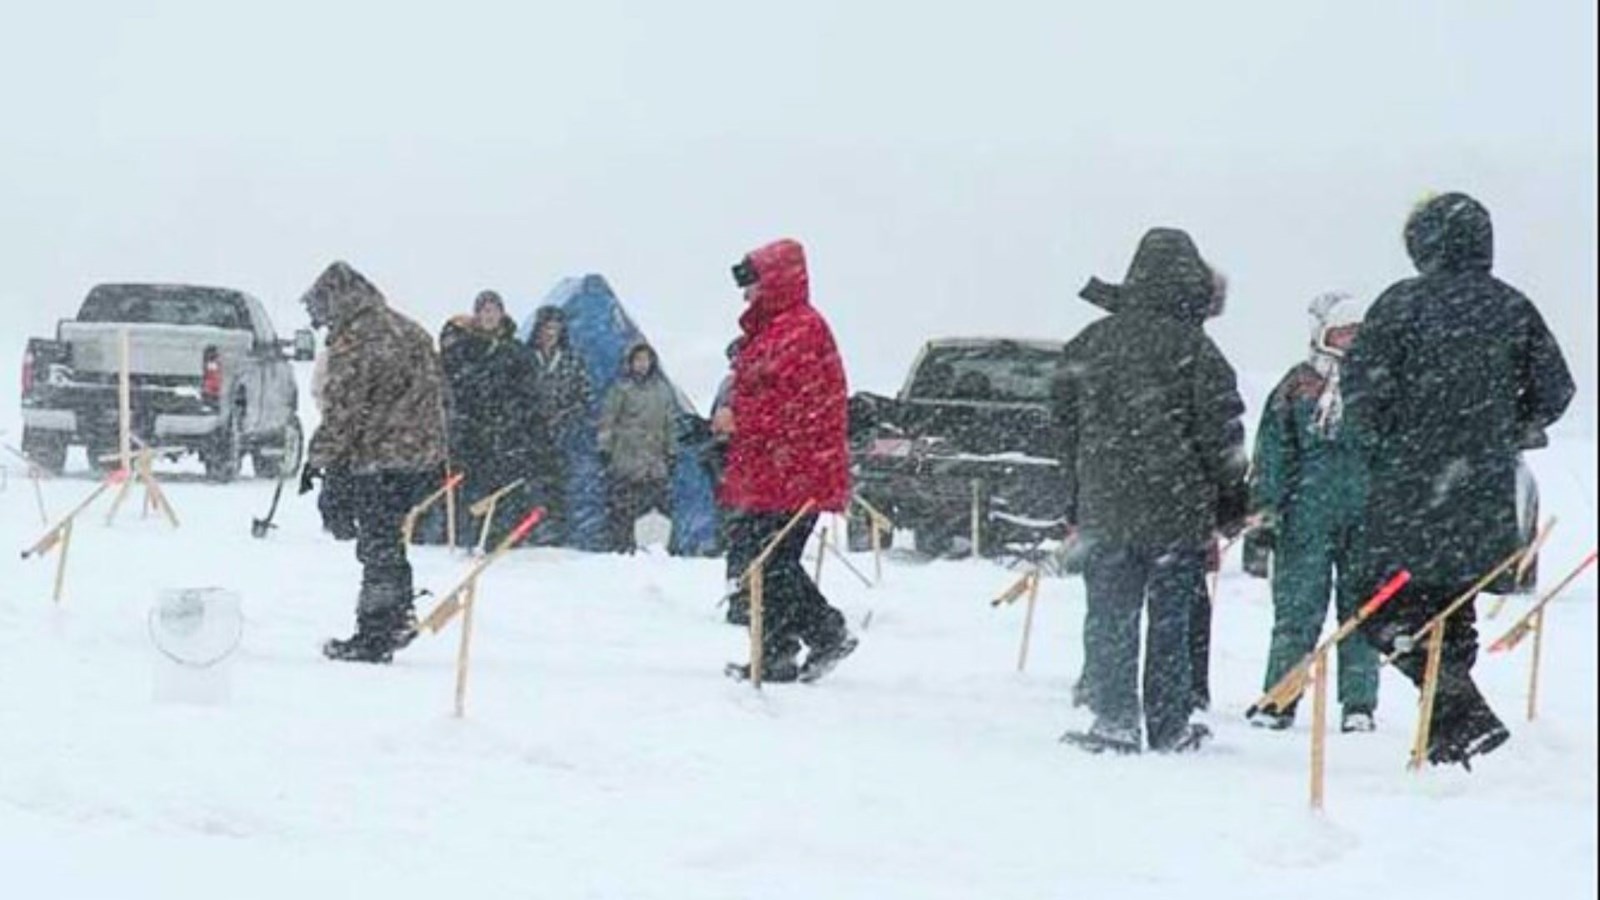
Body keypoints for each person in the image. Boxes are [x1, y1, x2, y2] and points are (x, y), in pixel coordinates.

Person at [1342, 192, 1574, 767]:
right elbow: (1557, 389)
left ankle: (1458, 716)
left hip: (1410, 487)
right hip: (1483, 487)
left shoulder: (1400, 304)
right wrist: (1509, 425)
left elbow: (1362, 394)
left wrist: (1390, 438)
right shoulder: (1512, 306)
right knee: (1453, 603)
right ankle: (1448, 741)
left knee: (1381, 603)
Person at [1053, 228, 1249, 754]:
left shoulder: (1092, 342)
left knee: (1110, 616)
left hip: (1106, 508)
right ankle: (1170, 724)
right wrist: (1231, 501)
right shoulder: (1198, 351)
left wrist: (1073, 496)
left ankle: (1113, 720)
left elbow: (1062, 423)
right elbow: (1223, 434)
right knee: (1171, 621)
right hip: (1177, 512)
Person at [719, 238, 857, 683]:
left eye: (752, 285)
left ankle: (826, 631)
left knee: (770, 563)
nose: (746, 295)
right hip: (775, 471)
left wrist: (737, 421)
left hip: (795, 474)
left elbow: (791, 408)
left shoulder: (799, 332)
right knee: (763, 563)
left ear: (773, 283)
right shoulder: (779, 330)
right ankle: (774, 652)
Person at [298, 261, 448, 664]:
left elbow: (345, 411)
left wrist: (319, 461)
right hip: (421, 456)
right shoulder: (409, 329)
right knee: (390, 537)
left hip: (380, 457)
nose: (321, 322)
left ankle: (377, 632)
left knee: (378, 542)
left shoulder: (357, 341)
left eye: (320, 311)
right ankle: (397, 616)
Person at [1247, 292, 1380, 734]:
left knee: (1361, 614)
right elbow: (1272, 455)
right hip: (1305, 519)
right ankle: (1280, 699)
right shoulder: (1296, 386)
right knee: (1296, 613)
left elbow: (1400, 455)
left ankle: (1358, 705)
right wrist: (1264, 515)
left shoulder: (1383, 384)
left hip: (1367, 519)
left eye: (1358, 334)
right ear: (1322, 335)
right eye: (1342, 333)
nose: (1350, 342)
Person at [439, 291, 539, 547]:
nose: (489, 316)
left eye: (493, 310)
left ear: (502, 314)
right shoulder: (464, 348)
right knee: (473, 487)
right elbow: (452, 384)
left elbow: (528, 392)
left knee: (505, 487)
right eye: (484, 311)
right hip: (473, 432)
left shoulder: (516, 351)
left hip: (507, 433)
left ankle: (503, 537)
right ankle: (471, 536)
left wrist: (518, 419)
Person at [598, 342, 677, 553]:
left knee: (655, 509)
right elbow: (608, 421)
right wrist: (605, 449)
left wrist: (672, 451)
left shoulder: (662, 390)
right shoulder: (620, 389)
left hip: (654, 461)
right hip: (626, 459)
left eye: (646, 360)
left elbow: (670, 423)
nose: (642, 364)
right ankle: (621, 545)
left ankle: (655, 547)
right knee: (623, 508)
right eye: (638, 360)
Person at [526, 305, 592, 545]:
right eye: (547, 327)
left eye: (556, 327)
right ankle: (530, 530)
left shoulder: (572, 361)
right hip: (531, 434)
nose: (551, 333)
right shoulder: (526, 357)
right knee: (530, 485)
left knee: (558, 485)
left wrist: (565, 416)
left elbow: (584, 397)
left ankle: (557, 533)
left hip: (563, 435)